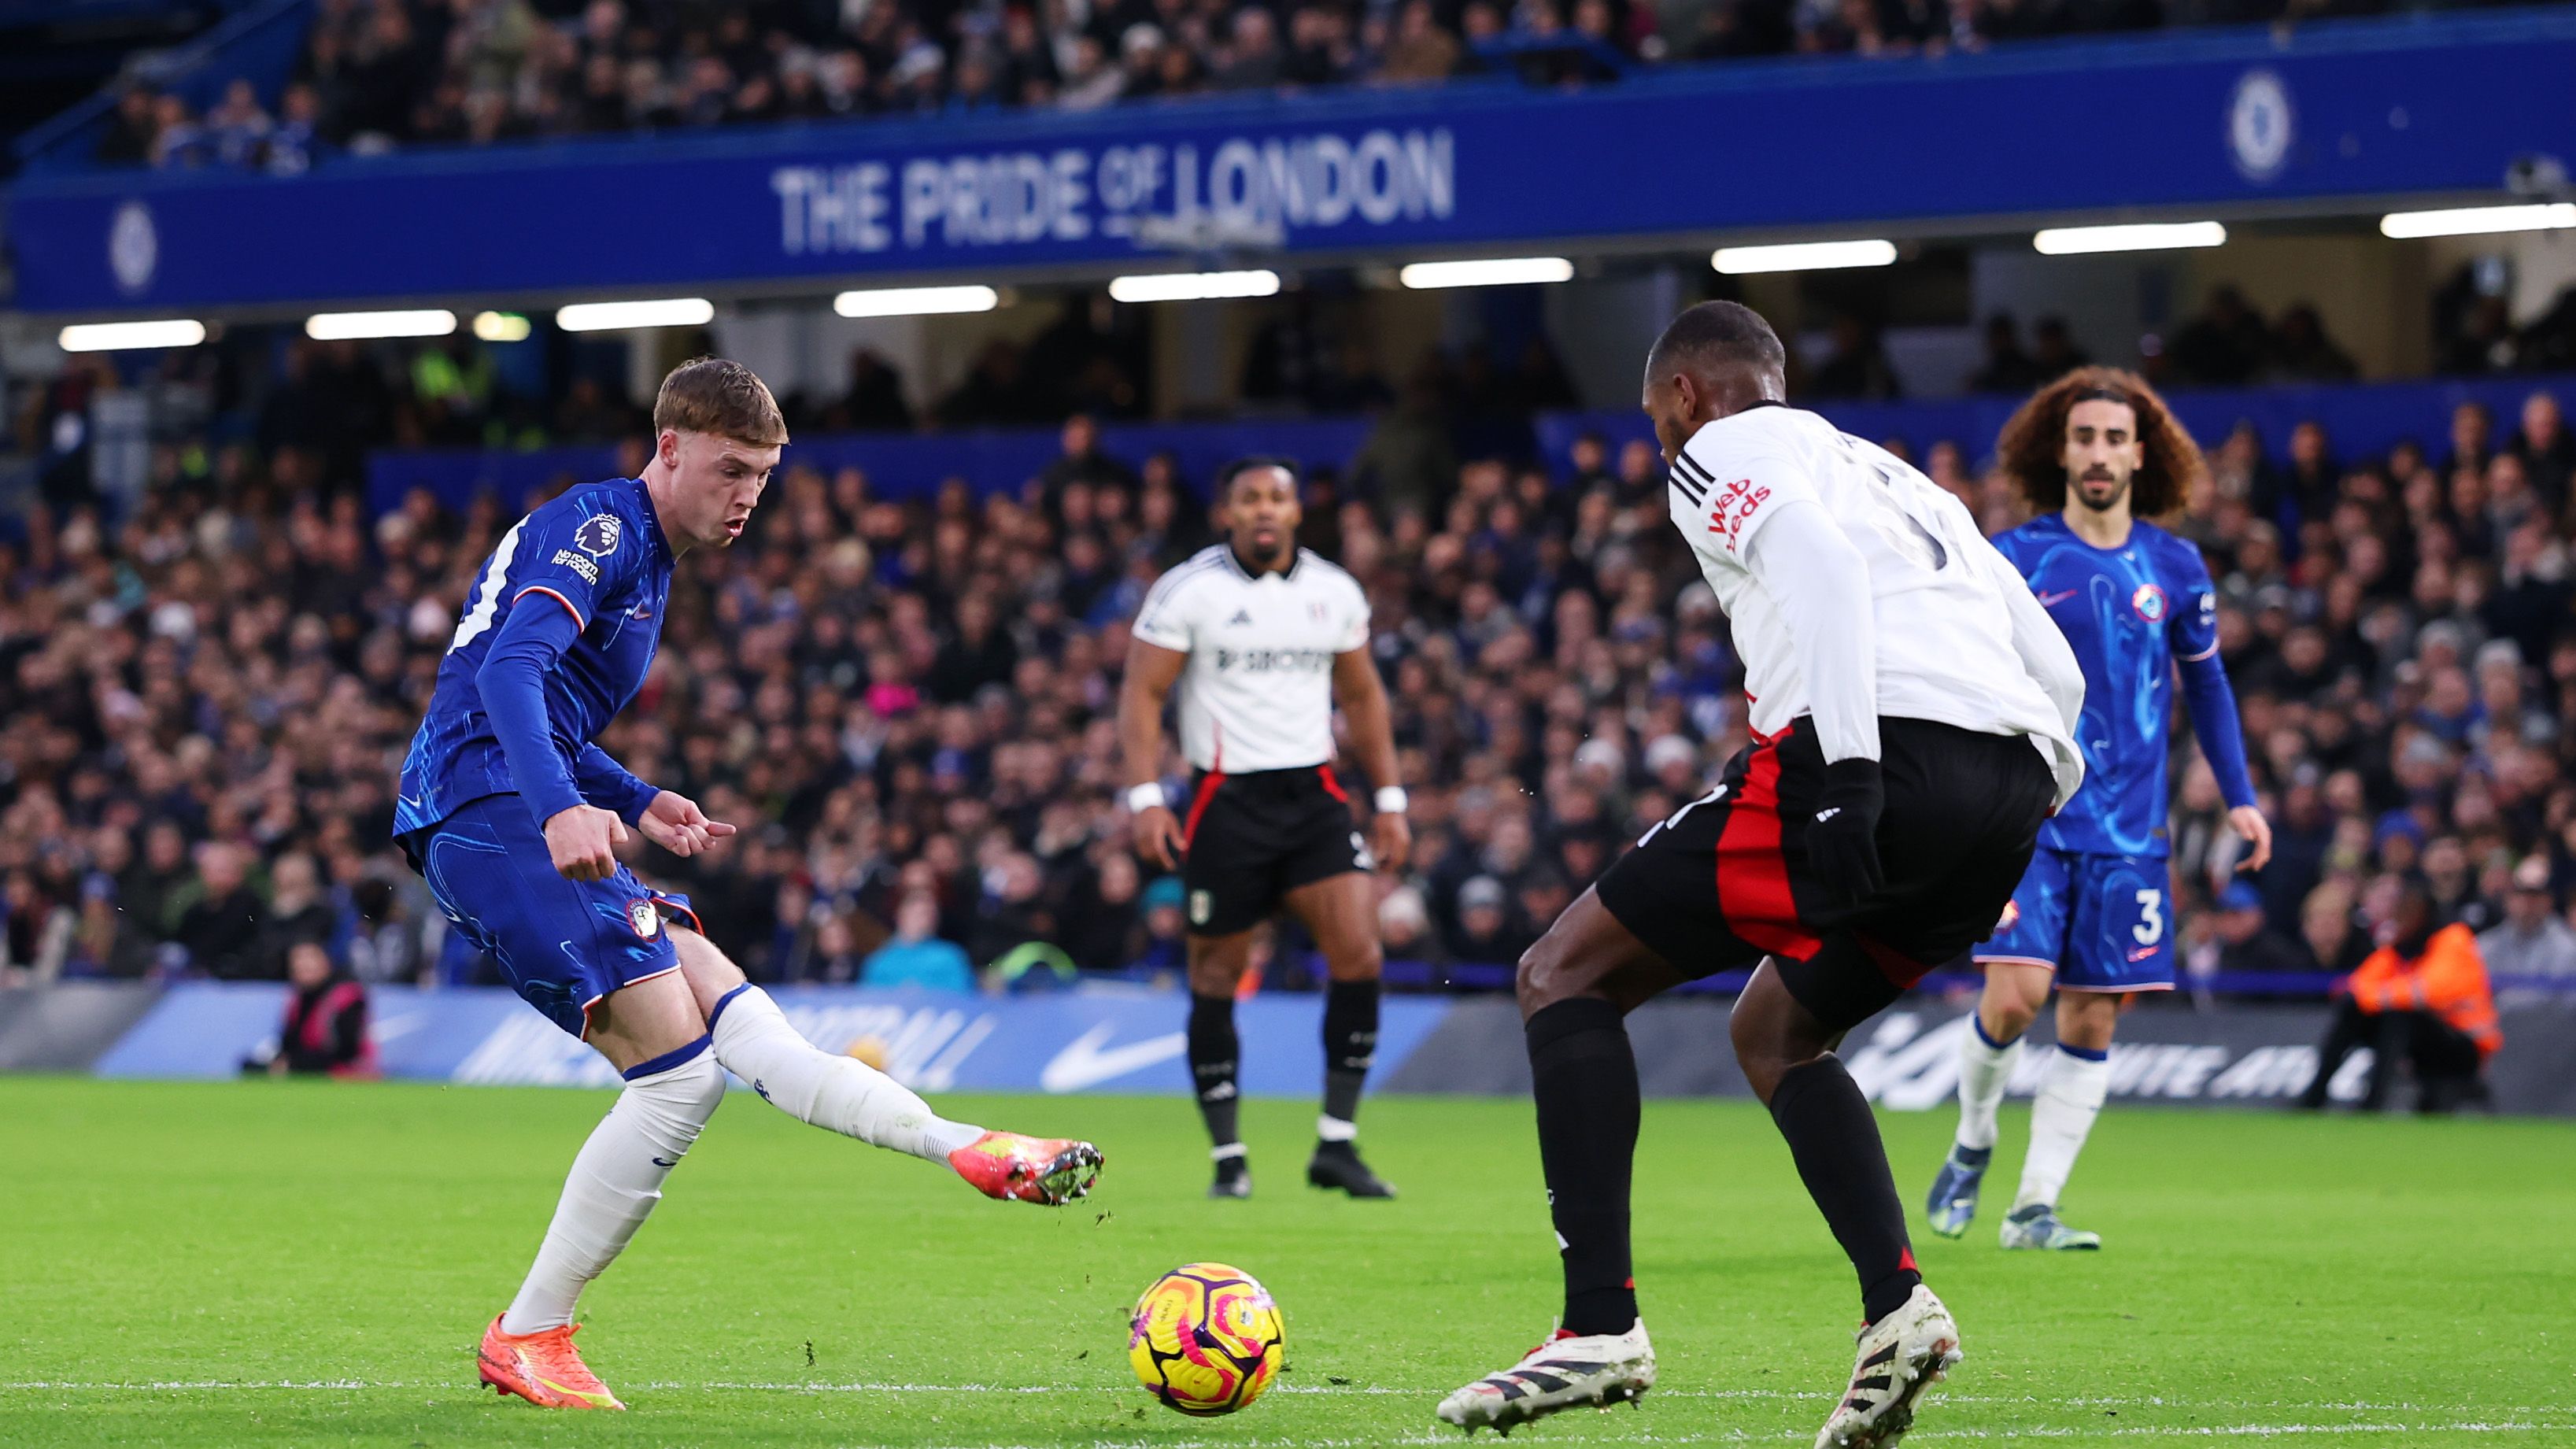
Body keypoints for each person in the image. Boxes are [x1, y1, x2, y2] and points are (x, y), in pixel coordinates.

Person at [1436, 302, 2087, 1447]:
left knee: (1561, 972)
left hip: (1872, 749)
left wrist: (1847, 774)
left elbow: (1823, 575)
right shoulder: (1894, 476)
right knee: (1776, 1032)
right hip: (2008, 788)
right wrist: (2013, 817)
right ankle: (1898, 1310)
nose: (1658, 444)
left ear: (1687, 394)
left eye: (1653, 420)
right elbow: (2055, 666)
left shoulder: (1724, 447)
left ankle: (1598, 1327)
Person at [393, 358, 1099, 1411]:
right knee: (678, 1075)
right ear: (668, 447)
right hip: (484, 808)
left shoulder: (654, 556)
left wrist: (633, 796)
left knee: (741, 1025)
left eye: (762, 479)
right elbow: (504, 677)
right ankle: (531, 1330)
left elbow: (554, 713)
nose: (745, 499)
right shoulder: (601, 531)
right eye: (729, 471)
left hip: (505, 797)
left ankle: (965, 1146)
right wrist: (557, 808)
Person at [1927, 368, 2271, 1254]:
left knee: (2090, 1016)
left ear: (2140, 454)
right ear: (2060, 450)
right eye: (2084, 437)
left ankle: (2033, 1205)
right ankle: (1973, 1136)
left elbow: (2209, 684)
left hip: (2130, 833)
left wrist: (2240, 797)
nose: (2099, 453)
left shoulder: (2175, 565)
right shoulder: (2015, 555)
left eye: (2115, 438)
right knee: (2016, 995)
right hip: (2031, 814)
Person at [1118, 457, 1410, 1199]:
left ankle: (1336, 1145)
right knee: (1215, 977)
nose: (1263, 510)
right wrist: (1146, 796)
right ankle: (1228, 1157)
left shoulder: (1333, 591)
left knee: (1360, 954)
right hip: (1225, 800)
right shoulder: (1190, 590)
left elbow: (1364, 696)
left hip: (1312, 794)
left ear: (1295, 512)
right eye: (1249, 498)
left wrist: (1390, 800)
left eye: (1277, 497)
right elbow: (1143, 695)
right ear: (1227, 513)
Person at [2297, 878, 2500, 1112]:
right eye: (2400, 910)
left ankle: (2373, 1106)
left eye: (2409, 910)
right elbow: (2358, 986)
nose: (2402, 918)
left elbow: (2430, 992)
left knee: (2399, 1016)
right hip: (2421, 1040)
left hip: (2464, 1047)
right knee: (2353, 1011)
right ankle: (2312, 1100)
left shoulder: (2453, 938)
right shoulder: (2401, 947)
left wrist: (2381, 996)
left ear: (2426, 913)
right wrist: (2378, 996)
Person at [246, 941, 380, 1078]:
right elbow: (288, 1044)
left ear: (326, 961)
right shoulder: (298, 999)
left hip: (343, 1075)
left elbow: (347, 1052)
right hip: (307, 1070)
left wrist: (295, 1064)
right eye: (296, 959)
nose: (301, 964)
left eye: (309, 957)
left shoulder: (346, 996)